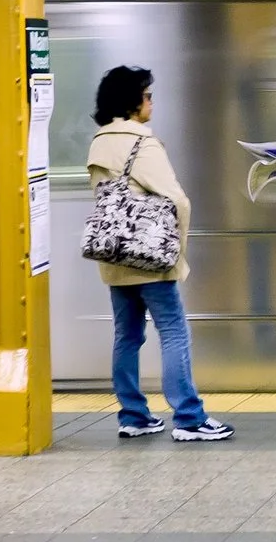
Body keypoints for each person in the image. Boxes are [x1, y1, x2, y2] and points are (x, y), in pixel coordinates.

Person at [86, 65, 231, 443]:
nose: (152, 102)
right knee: (174, 332)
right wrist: (176, 253)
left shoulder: (99, 141)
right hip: (150, 258)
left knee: (127, 335)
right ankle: (189, 418)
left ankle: (133, 415)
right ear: (132, 101)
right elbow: (176, 199)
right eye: (147, 95)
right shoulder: (142, 142)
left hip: (114, 256)